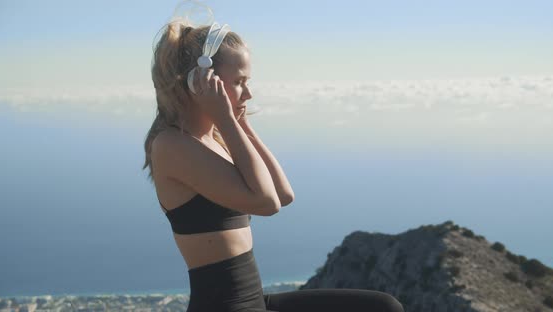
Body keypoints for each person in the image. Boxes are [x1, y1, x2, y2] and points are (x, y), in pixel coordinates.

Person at [142, 17, 404, 312]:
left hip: (254, 302)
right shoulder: (171, 145)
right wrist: (227, 119)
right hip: (225, 307)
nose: (248, 94)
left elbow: (283, 193)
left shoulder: (213, 139)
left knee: (384, 307)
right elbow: (266, 203)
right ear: (200, 81)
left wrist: (241, 125)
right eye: (239, 82)